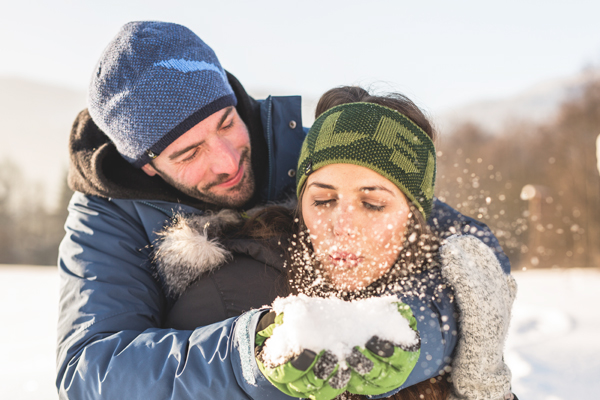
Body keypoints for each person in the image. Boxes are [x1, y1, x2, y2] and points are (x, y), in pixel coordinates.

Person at [56, 21, 511, 400]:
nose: (228, 161)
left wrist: (417, 338)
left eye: (226, 123)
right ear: (147, 166)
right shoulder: (106, 220)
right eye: (189, 153)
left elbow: (464, 252)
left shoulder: (303, 146)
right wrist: (249, 354)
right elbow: (89, 373)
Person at [161, 88, 517, 399]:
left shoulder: (445, 296)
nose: (342, 226)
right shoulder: (225, 296)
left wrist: (485, 388)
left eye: (373, 203)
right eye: (323, 201)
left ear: (413, 217)